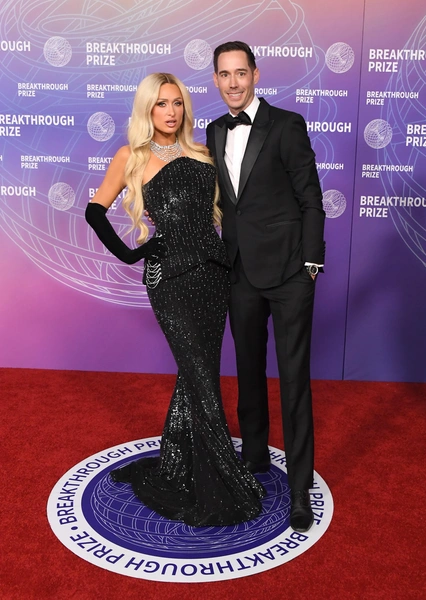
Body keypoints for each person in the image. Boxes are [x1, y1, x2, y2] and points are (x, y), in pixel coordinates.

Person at [85, 72, 265, 527]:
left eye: (177, 103)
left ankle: (178, 463)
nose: (170, 111)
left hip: (213, 275)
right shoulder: (131, 156)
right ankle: (223, 476)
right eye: (161, 103)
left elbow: (234, 208)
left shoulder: (203, 152)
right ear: (147, 109)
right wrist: (134, 253)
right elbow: (94, 210)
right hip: (169, 280)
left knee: (195, 374)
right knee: (202, 377)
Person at [206, 41, 326, 533]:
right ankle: (254, 459)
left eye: (241, 72)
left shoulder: (287, 124)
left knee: (294, 383)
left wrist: (311, 263)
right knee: (248, 374)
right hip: (240, 273)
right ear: (216, 80)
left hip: (291, 273)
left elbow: (311, 197)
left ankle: (299, 490)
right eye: (224, 74)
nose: (233, 82)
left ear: (255, 74)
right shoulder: (214, 130)